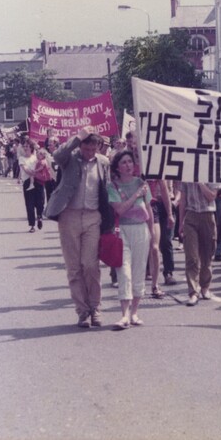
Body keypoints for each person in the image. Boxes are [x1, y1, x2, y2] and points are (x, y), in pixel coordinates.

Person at [45, 126, 111, 328]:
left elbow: (106, 189)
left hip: (93, 217)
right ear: (81, 146)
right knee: (74, 267)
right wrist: (77, 137)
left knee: (90, 265)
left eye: (93, 148)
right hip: (70, 216)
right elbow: (57, 155)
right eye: (86, 148)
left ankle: (96, 308)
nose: (90, 152)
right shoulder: (70, 158)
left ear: (98, 147)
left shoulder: (103, 163)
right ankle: (82, 311)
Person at [107, 150, 153, 330]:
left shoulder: (142, 183)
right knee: (123, 270)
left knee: (139, 269)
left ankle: (135, 312)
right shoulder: (113, 187)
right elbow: (119, 210)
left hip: (141, 230)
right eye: (123, 162)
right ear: (117, 167)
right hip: (122, 231)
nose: (128, 165)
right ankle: (124, 314)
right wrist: (136, 195)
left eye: (130, 162)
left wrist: (152, 234)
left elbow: (148, 209)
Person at [179, 181, 219, 306]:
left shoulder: (211, 173)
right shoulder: (186, 174)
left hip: (207, 215)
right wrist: (181, 222)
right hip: (191, 216)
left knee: (207, 256)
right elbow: (183, 200)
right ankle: (193, 292)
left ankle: (205, 287)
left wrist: (200, 183)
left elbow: (212, 196)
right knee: (192, 256)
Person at [19, 142, 45, 233]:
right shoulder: (21, 158)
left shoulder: (36, 157)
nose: (25, 148)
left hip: (38, 181)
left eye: (27, 146)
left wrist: (37, 173)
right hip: (27, 182)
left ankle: (39, 216)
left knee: (40, 202)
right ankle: (32, 225)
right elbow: (25, 170)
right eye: (24, 146)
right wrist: (34, 172)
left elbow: (43, 164)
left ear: (31, 148)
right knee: (29, 205)